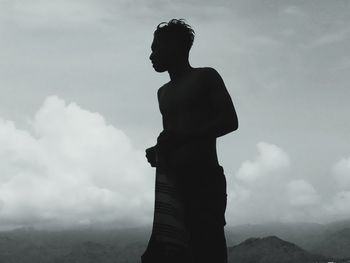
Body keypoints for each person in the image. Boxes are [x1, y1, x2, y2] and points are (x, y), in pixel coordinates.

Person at [141, 19, 238, 263]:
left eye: (156, 48)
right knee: (167, 252)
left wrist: (182, 138)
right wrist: (159, 151)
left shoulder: (205, 77)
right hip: (173, 183)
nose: (151, 55)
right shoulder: (162, 92)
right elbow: (174, 134)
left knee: (207, 249)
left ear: (174, 46)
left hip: (204, 180)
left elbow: (229, 121)